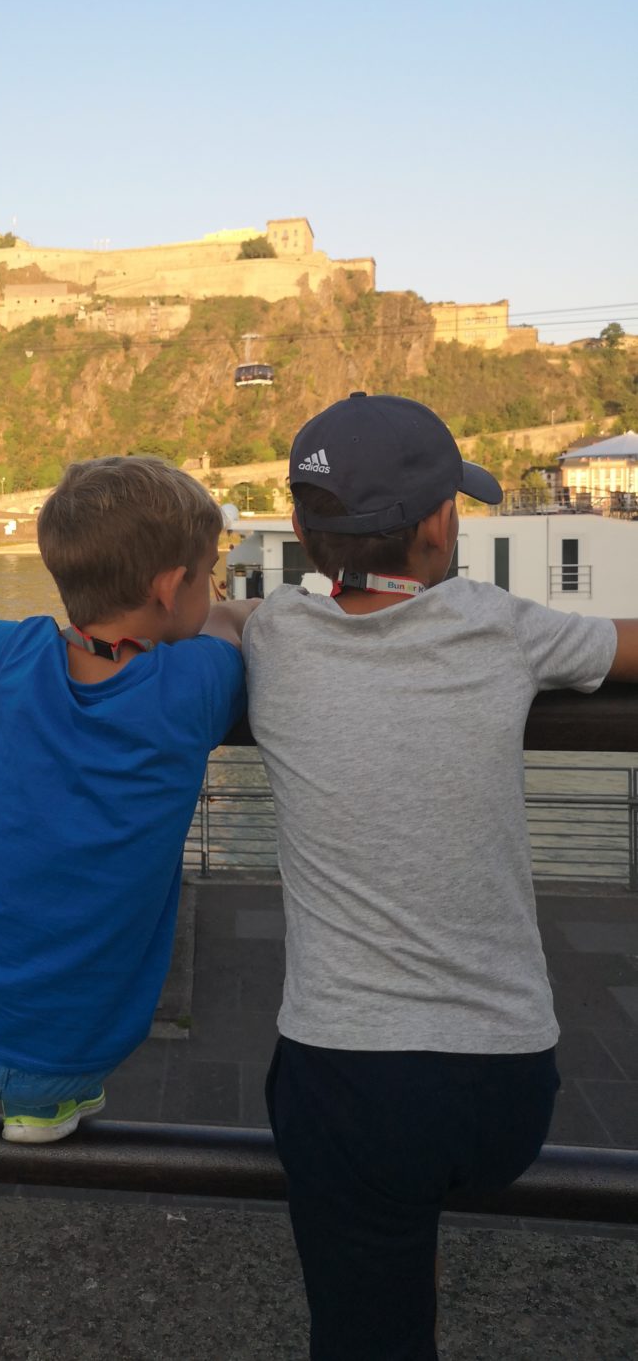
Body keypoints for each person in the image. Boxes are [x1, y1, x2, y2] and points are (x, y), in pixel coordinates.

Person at [241, 392, 638, 1361]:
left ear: (299, 530)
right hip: (507, 1087)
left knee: (365, 1328)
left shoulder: (268, 636)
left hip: (349, 1093)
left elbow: (187, 618)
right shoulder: (499, 624)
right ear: (441, 523)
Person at [0, 455, 253, 1143]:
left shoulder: (18, 651)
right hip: (71, 1054)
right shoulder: (194, 684)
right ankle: (40, 1106)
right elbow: (230, 632)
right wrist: (233, 610)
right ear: (172, 587)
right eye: (209, 573)